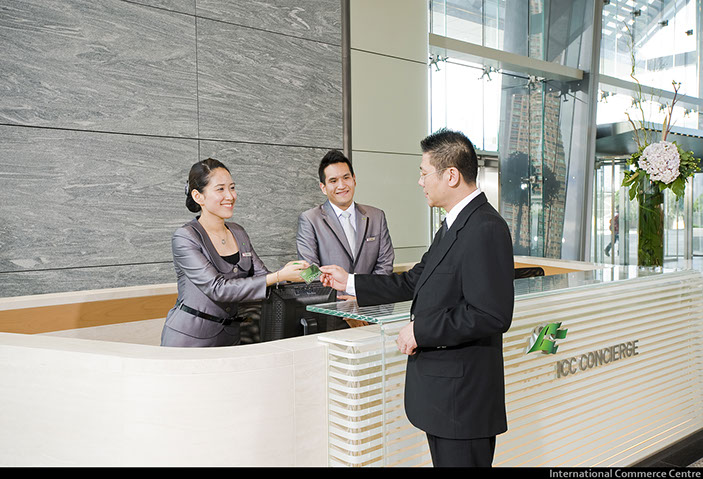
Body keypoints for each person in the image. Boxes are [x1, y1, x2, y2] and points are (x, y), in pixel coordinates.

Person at [320, 129, 515, 467]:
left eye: (424, 173)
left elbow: (490, 314)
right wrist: (350, 281)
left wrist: (420, 330)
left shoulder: (485, 227)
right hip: (446, 401)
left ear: (451, 175)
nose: (420, 181)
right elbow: (414, 281)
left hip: (463, 403)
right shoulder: (453, 225)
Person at [161, 158, 308, 348]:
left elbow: (263, 276)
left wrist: (290, 273)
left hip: (231, 337)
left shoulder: (238, 232)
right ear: (198, 196)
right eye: (220, 189)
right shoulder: (186, 237)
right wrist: (278, 276)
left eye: (232, 187)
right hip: (190, 338)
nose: (230, 196)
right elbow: (217, 289)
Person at [296, 149, 395, 277]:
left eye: (346, 177)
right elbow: (310, 272)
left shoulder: (376, 216)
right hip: (330, 291)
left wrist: (361, 289)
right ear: (323, 188)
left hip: (369, 290)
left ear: (354, 180)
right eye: (333, 181)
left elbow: (385, 265)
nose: (342, 186)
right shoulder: (310, 220)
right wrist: (340, 289)